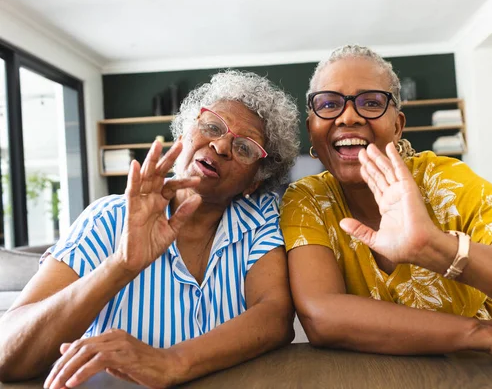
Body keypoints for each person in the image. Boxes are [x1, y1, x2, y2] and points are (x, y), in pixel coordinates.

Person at [281, 45, 492, 368]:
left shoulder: (444, 182)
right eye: (329, 104)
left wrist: (438, 248)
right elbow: (321, 316)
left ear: (398, 125)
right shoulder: (308, 200)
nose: (348, 116)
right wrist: (489, 334)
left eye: (371, 103)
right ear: (312, 129)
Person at [0, 70, 300, 387]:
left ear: (254, 181)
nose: (221, 145)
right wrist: (122, 264)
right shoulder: (108, 217)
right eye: (212, 126)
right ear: (184, 135)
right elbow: (8, 354)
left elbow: (275, 316)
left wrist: (171, 362)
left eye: (245, 148)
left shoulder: (260, 218)